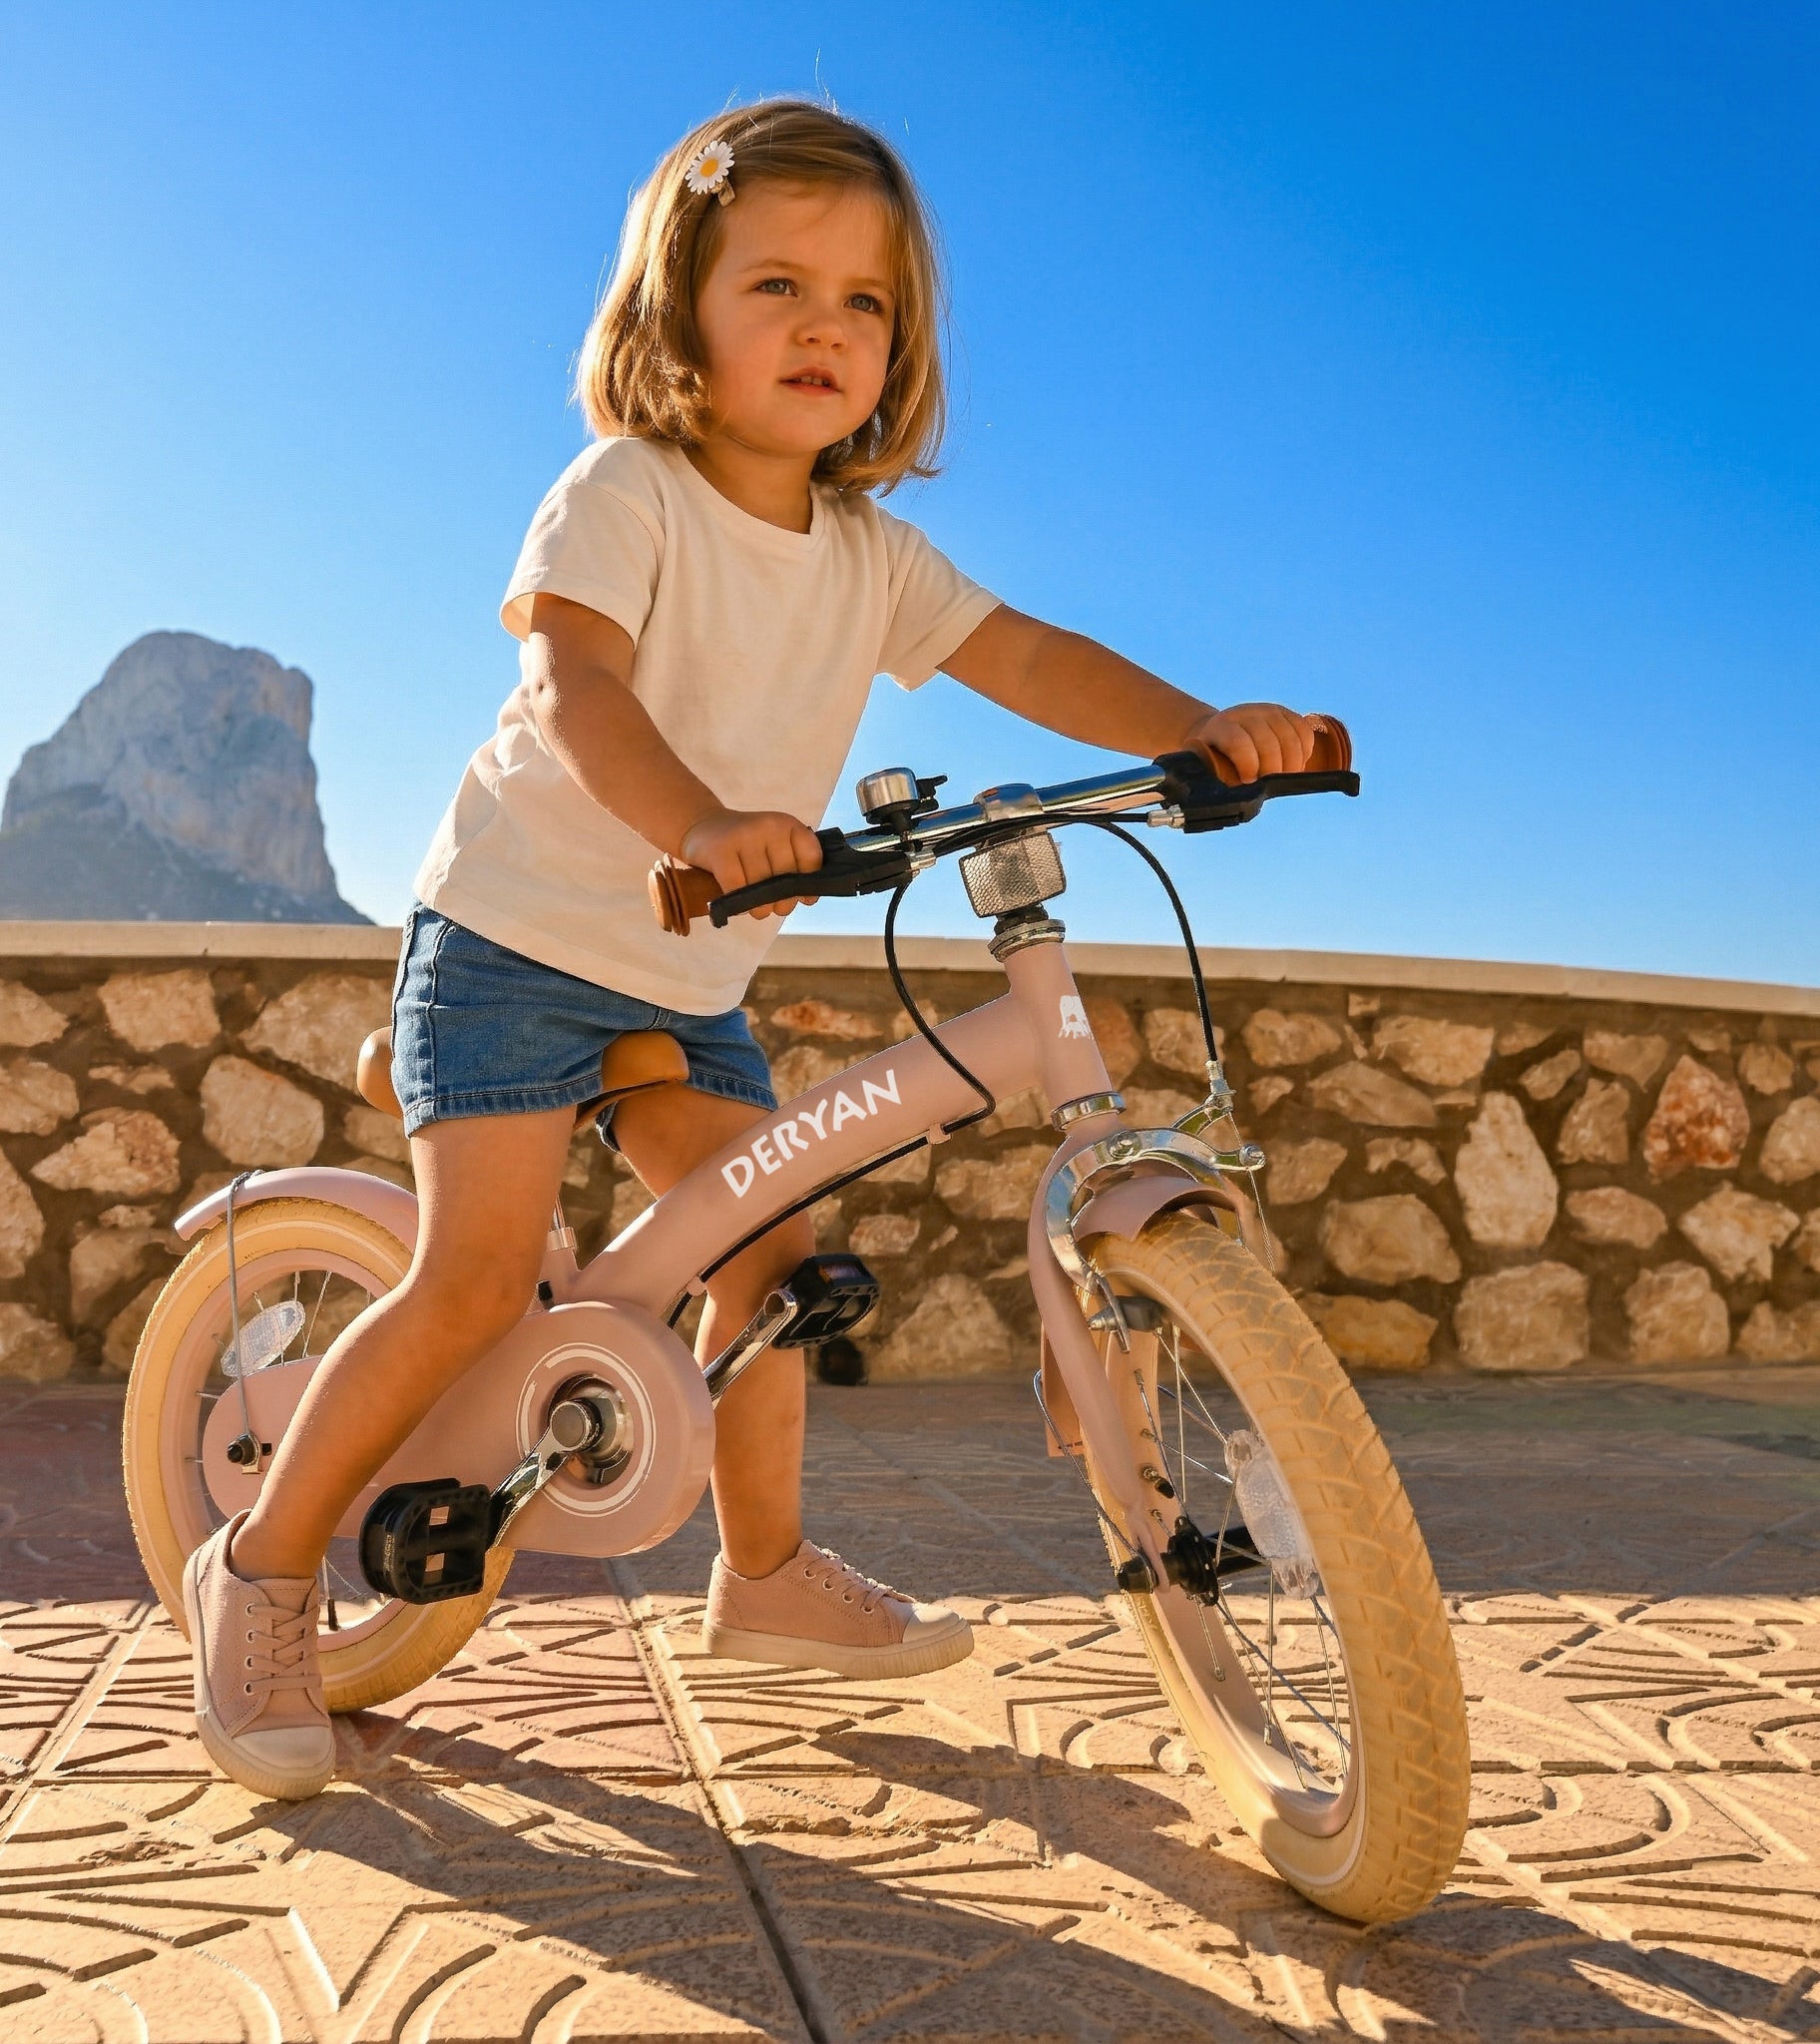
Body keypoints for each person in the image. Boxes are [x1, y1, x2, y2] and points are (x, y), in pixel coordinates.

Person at [182, 99, 1327, 1799]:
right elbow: (577, 686)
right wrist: (701, 825)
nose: (824, 327)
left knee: (773, 1261)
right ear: (677, 316)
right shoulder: (626, 491)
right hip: (518, 940)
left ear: (901, 348)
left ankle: (766, 1576)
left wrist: (1201, 731)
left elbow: (1024, 653)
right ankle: (260, 1576)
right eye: (777, 283)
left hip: (687, 976)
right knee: (481, 1276)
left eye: (865, 303)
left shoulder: (870, 556)